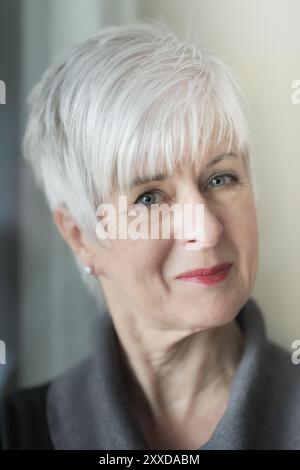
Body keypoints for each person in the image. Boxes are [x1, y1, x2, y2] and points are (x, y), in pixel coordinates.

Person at [1, 20, 300, 450]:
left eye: (220, 179)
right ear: (80, 237)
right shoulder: (15, 433)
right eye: (149, 198)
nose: (207, 229)